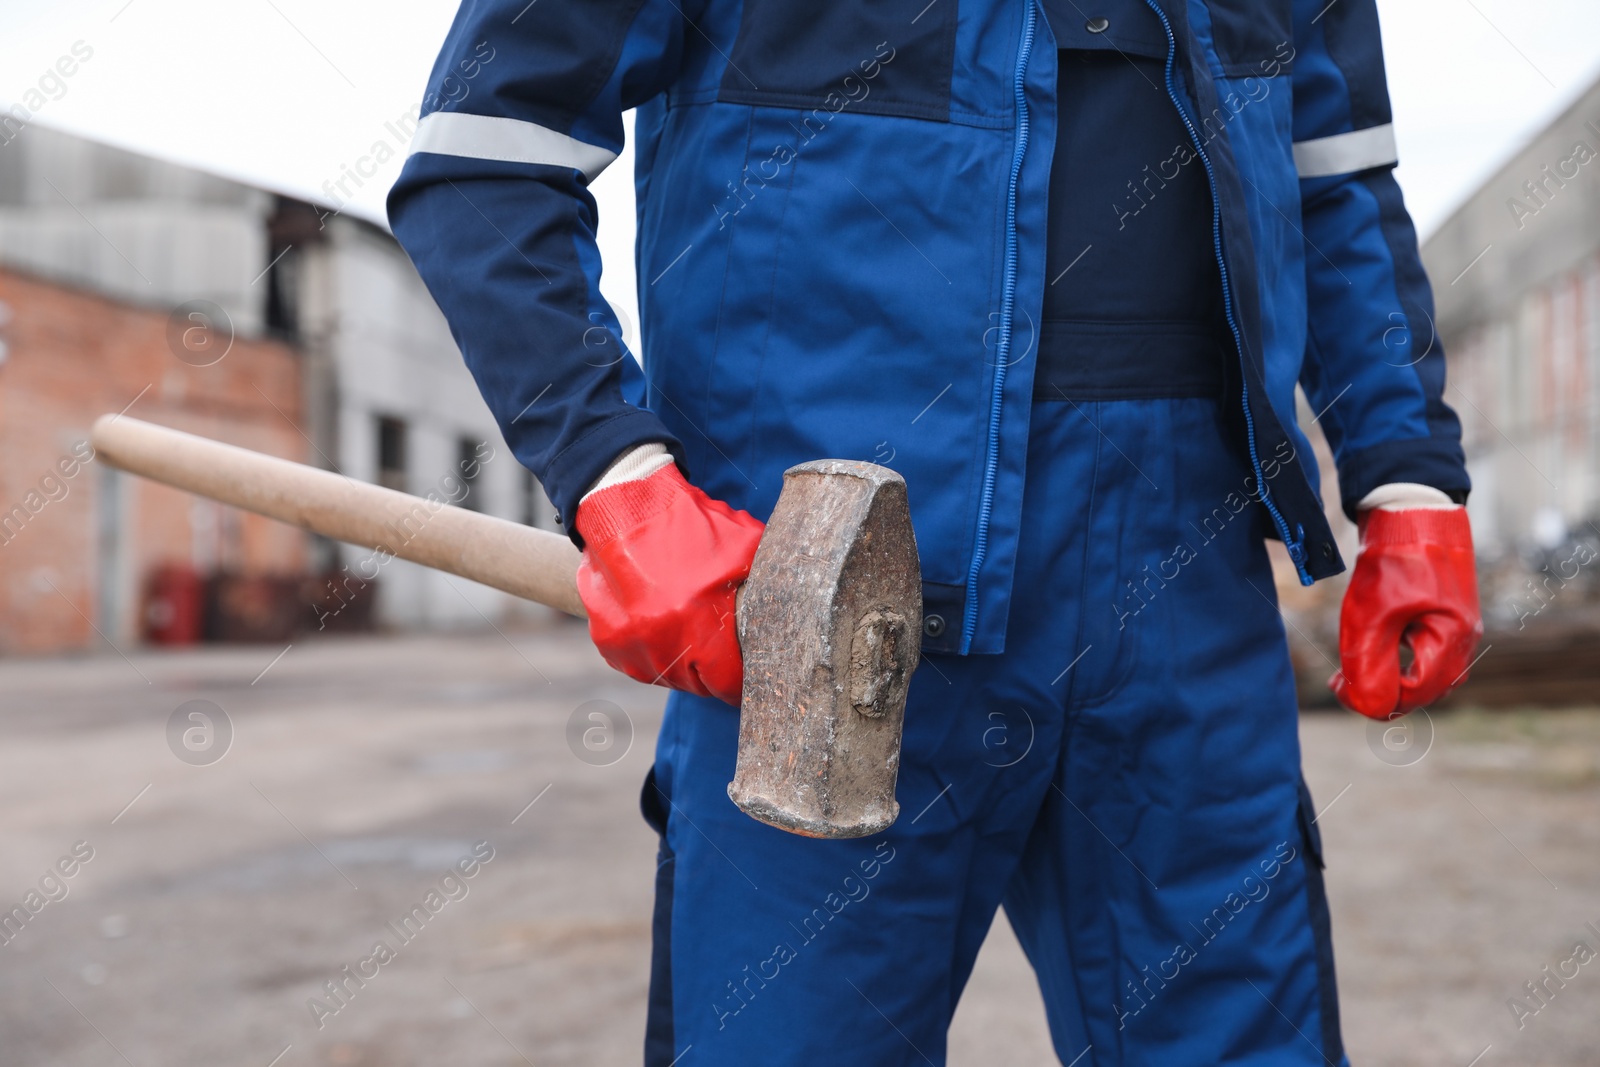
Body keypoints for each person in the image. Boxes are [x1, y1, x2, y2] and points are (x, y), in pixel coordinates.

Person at [388, 0, 1481, 1062]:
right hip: (820, 595)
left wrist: (1408, 484)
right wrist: (617, 475)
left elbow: (1335, 184)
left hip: (1188, 592)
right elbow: (482, 163)